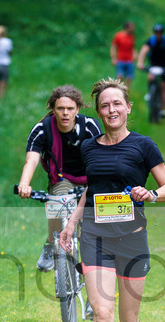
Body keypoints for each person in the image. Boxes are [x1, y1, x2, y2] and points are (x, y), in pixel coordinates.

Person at [59, 79, 165, 322]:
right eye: (105, 105)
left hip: (132, 239)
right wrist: (71, 223)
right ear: (98, 111)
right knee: (102, 316)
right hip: (96, 238)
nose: (111, 110)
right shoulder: (89, 148)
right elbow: (90, 190)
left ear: (128, 108)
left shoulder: (143, 145)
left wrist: (150, 194)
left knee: (128, 320)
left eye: (117, 104)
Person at [17, 85, 103, 270]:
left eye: (70, 108)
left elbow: (102, 157)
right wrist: (24, 184)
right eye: (60, 108)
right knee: (57, 203)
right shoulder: (42, 129)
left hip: (90, 178)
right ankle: (51, 243)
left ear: (77, 109)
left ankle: (91, 264)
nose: (65, 113)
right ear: (53, 109)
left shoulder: (89, 127)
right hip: (62, 179)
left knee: (89, 224)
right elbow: (31, 160)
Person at [136, 24, 165, 119]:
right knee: (150, 77)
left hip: (164, 66)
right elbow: (144, 50)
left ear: (162, 33)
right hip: (153, 65)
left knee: (163, 87)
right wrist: (140, 63)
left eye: (160, 32)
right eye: (156, 32)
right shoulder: (151, 40)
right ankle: (150, 93)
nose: (158, 34)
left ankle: (162, 109)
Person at [110, 21, 137, 87]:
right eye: (132, 27)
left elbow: (133, 47)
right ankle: (118, 90)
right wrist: (113, 58)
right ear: (127, 27)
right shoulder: (119, 35)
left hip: (129, 60)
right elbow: (113, 46)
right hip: (120, 59)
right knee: (119, 77)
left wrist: (135, 54)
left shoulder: (131, 37)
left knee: (128, 78)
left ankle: (126, 94)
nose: (133, 28)